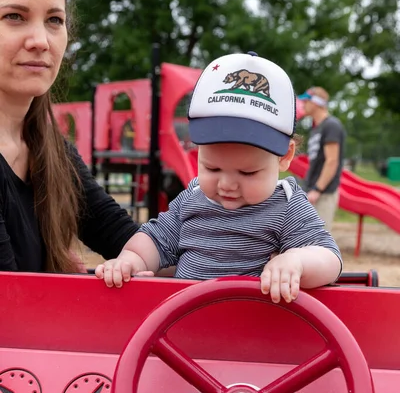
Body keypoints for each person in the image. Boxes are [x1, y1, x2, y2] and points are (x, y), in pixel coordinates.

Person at [96, 52, 342, 303]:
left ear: (284, 156)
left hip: (254, 329)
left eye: (248, 172)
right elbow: (155, 240)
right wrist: (131, 260)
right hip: (182, 326)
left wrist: (296, 261)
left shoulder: (286, 206)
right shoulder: (192, 199)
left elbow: (330, 258)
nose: (226, 184)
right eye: (212, 169)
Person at [0, 0, 140, 273]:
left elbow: (126, 239)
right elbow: (12, 301)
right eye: (14, 16)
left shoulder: (50, 150)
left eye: (54, 20)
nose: (40, 41)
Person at [298, 87, 346, 232]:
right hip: (312, 190)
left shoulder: (331, 125)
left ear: (316, 102)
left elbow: (332, 161)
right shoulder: (316, 128)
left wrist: (317, 189)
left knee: (319, 241)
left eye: (306, 101)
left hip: (323, 193)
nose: (303, 104)